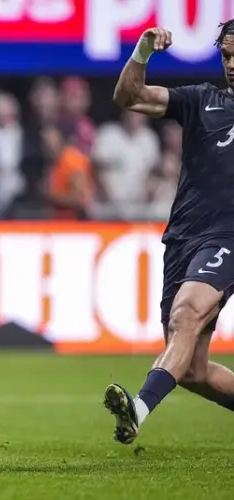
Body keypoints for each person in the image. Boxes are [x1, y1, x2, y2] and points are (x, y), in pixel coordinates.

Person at [103, 22, 234, 446]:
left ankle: (136, 410)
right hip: (182, 238)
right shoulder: (201, 100)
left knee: (186, 314)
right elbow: (129, 97)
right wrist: (142, 51)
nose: (231, 65)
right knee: (192, 371)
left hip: (228, 236)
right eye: (226, 57)